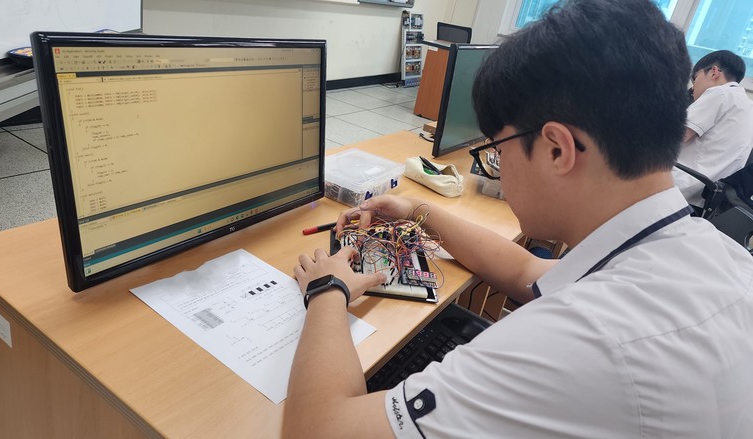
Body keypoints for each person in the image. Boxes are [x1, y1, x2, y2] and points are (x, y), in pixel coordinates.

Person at [284, 0, 753, 437]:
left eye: (497, 150)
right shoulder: (710, 252)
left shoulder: (577, 343)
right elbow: (528, 271)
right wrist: (417, 211)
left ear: (557, 150)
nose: (497, 168)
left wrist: (327, 290)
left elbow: (317, 429)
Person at [674, 50, 753, 208]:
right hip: (709, 199)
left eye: (695, 78)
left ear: (713, 72)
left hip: (681, 187)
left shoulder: (720, 93)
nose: (693, 88)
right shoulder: (747, 106)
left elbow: (673, 139)